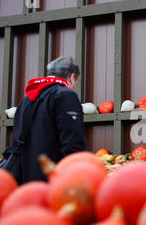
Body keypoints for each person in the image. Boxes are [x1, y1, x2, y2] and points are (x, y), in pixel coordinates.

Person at [11, 56, 88, 184]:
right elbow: (73, 143)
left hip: (27, 182)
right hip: (54, 181)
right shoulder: (65, 95)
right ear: (72, 77)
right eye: (76, 82)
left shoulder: (26, 100)